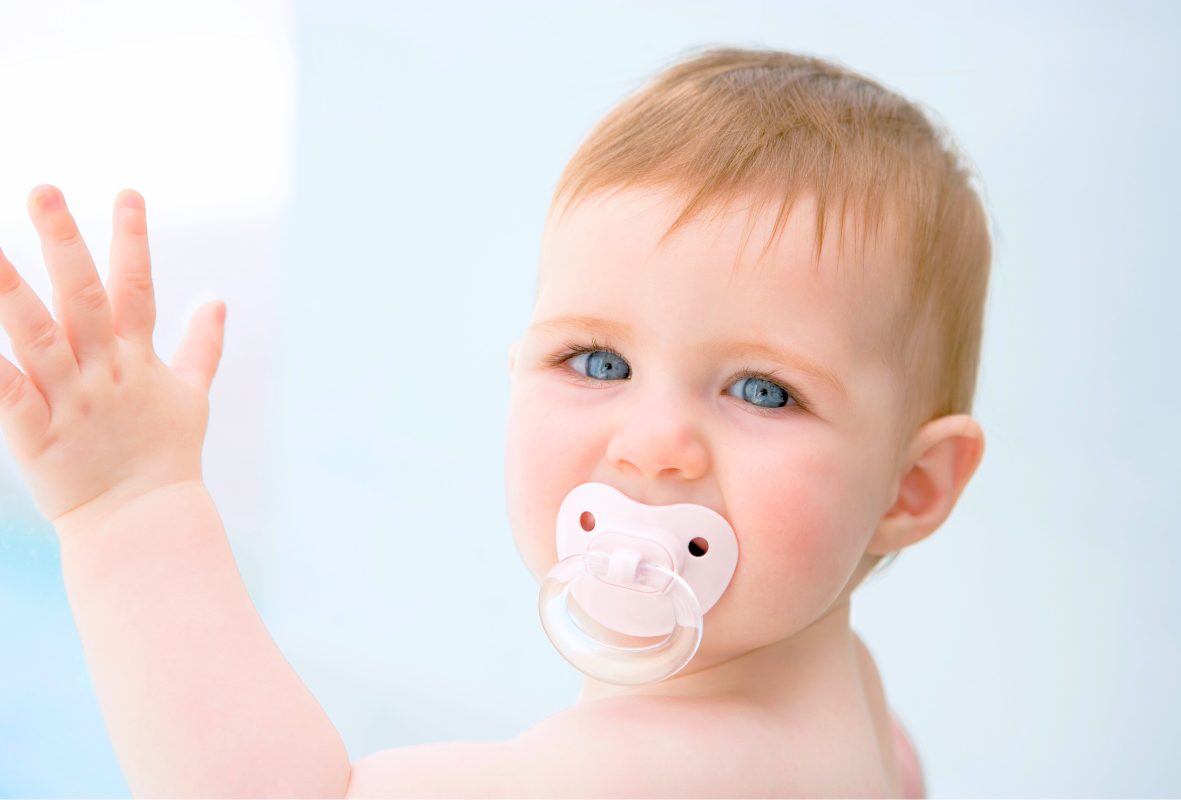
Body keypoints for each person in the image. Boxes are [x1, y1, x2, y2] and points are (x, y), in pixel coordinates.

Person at [0, 48, 987, 797]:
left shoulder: (642, 771)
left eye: (762, 390)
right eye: (598, 361)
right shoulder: (847, 691)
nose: (652, 442)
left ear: (915, 485)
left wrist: (129, 509)